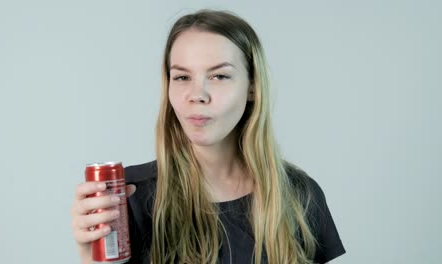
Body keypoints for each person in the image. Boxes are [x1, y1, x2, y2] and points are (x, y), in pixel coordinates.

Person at [71, 9, 346, 264]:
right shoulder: (129, 197)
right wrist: (90, 259)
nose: (197, 95)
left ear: (252, 88)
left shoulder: (300, 195)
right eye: (181, 78)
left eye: (219, 76)